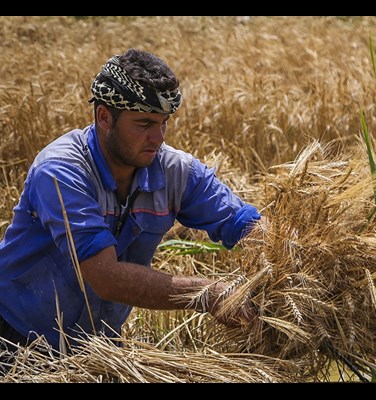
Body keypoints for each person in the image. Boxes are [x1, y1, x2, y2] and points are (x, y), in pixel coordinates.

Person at [0, 49, 261, 367]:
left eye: (164, 123)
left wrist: (288, 259)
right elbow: (106, 278)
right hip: (15, 341)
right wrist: (207, 293)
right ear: (104, 117)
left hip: (95, 350)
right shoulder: (60, 171)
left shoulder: (175, 172)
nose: (158, 137)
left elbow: (243, 223)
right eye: (145, 124)